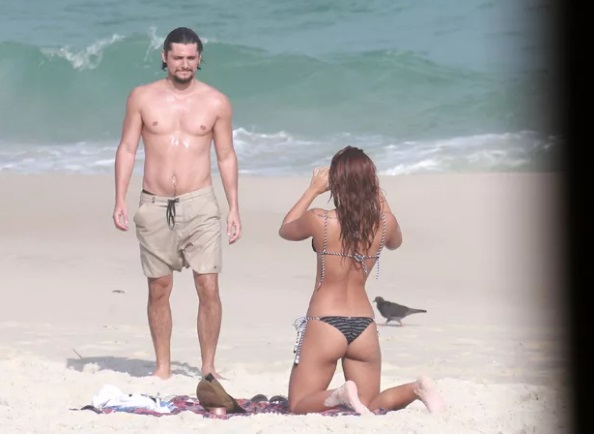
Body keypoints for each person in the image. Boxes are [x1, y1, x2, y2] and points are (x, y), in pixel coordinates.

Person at [112, 27, 241, 380]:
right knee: (159, 288)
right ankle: (163, 367)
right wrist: (120, 198)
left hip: (200, 203)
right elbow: (127, 148)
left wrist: (233, 208)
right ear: (164, 58)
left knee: (208, 285)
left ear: (200, 59)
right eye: (177, 57)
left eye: (191, 58)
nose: (184, 64)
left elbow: (226, 156)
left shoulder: (216, 102)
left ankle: (209, 367)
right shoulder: (142, 97)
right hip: (154, 203)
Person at [278, 146, 445, 415]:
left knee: (298, 404)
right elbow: (397, 241)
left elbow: (286, 229)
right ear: (371, 182)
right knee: (369, 403)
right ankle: (416, 388)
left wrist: (312, 190)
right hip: (364, 325)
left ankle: (340, 394)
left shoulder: (320, 219)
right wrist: (377, 195)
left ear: (336, 183)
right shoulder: (383, 225)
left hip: (325, 322)